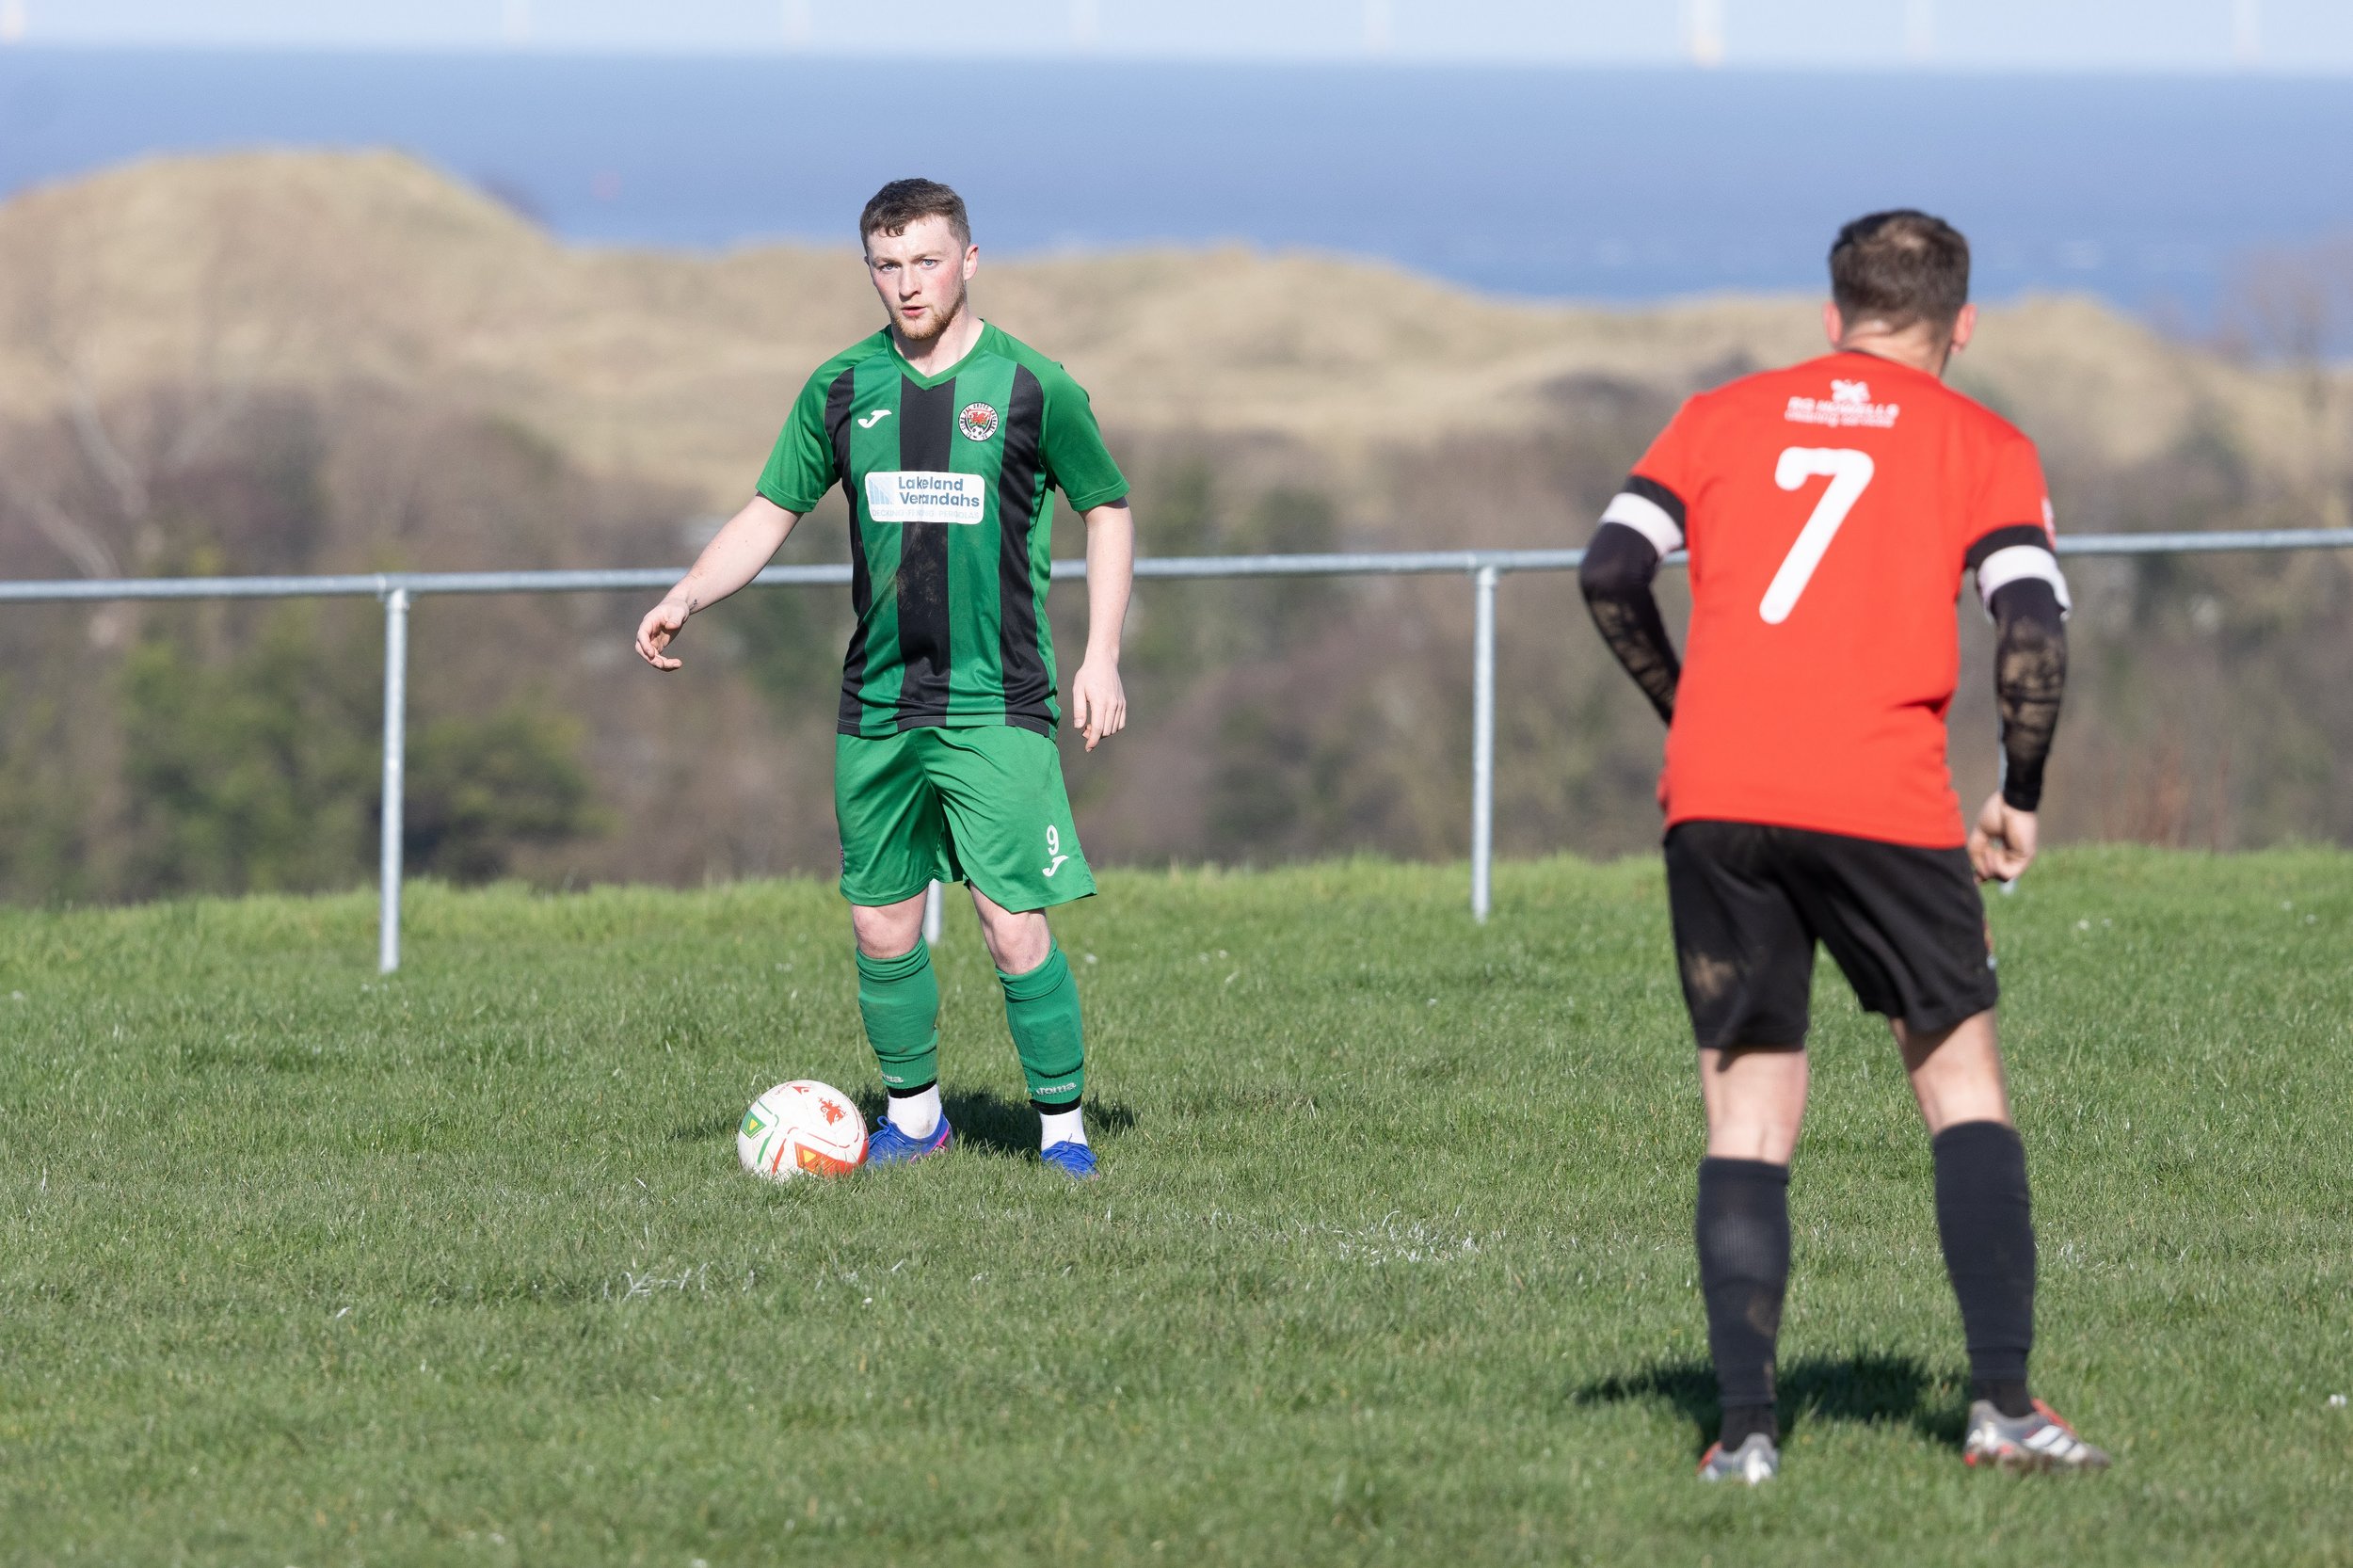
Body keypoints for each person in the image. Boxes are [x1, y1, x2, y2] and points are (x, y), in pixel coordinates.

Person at [1578, 210, 2108, 1481]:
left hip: (1717, 795)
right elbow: (2030, 630)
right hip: (1879, 794)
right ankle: (2002, 1410)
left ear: (1834, 315)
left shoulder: (1716, 416)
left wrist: (1688, 707)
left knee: (1750, 1105)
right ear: (1961, 325)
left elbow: (1608, 571)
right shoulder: (1985, 443)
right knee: (1958, 1080)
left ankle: (1748, 1436)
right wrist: (2019, 788)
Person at [635, 178, 1134, 1179]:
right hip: (877, 700)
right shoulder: (838, 388)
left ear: (970, 261)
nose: (908, 284)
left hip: (997, 696)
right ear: (870, 269)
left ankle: (1063, 1134)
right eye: (888, 264)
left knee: (1010, 921)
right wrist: (688, 593)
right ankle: (915, 1120)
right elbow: (769, 511)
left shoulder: (1034, 386)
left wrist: (1101, 653)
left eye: (927, 261)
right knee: (879, 918)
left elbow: (1107, 505)